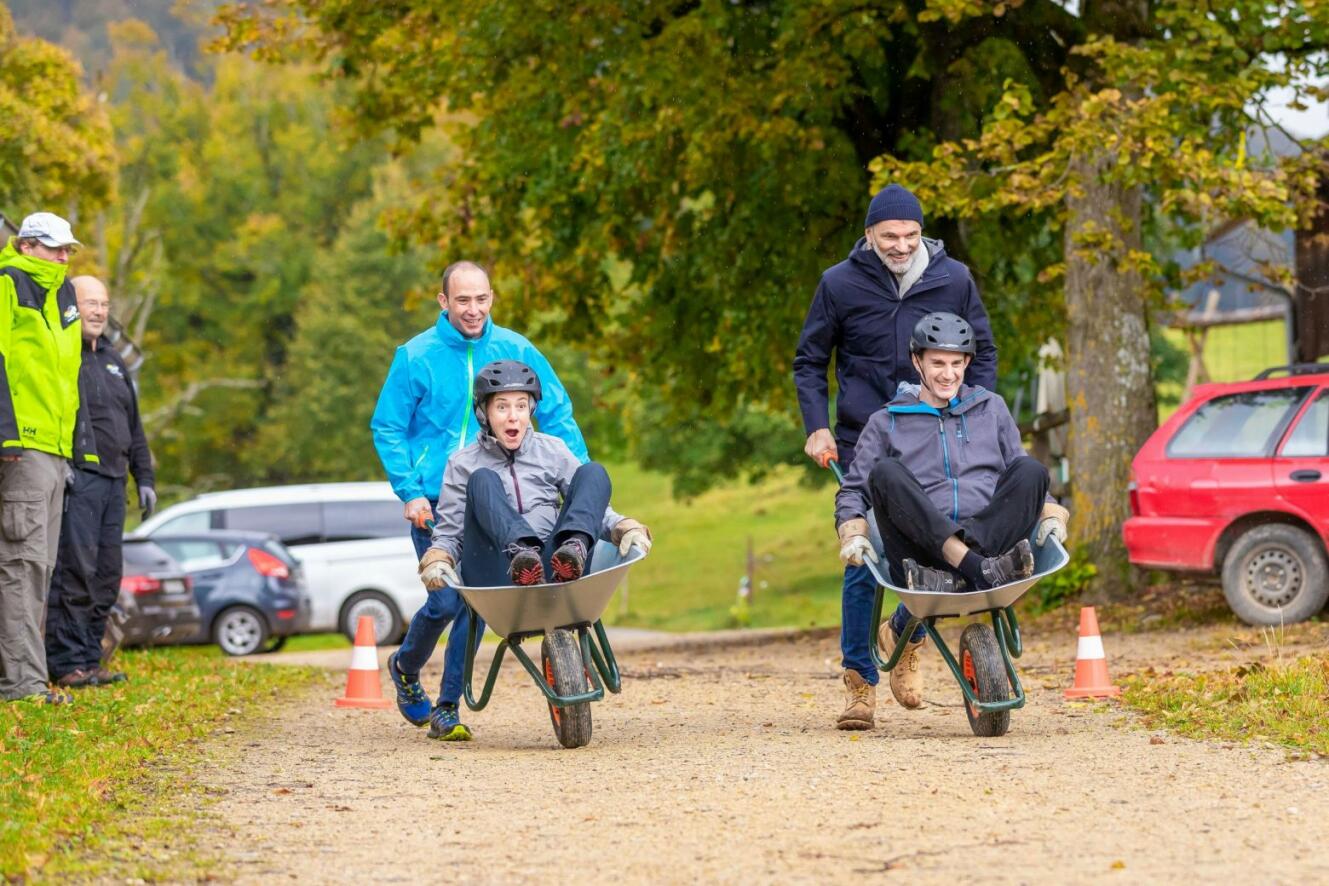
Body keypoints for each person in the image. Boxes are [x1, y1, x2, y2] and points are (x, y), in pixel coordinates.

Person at [792, 184, 1001, 730]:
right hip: (866, 434)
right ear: (869, 236)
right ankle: (860, 681)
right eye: (889, 236)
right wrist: (817, 426)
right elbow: (810, 360)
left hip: (935, 434)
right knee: (867, 556)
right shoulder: (838, 284)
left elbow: (983, 349)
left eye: (910, 235)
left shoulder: (951, 278)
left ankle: (906, 632)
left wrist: (974, 412)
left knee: (941, 544)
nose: (901, 245)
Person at [371, 262, 588, 731]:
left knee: (477, 602)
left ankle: (448, 707)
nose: (474, 310)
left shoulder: (515, 348)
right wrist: (409, 491)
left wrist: (578, 481)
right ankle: (406, 668)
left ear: (492, 298)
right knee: (447, 602)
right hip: (436, 498)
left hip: (499, 496)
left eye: (482, 299)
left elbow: (558, 411)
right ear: (443, 301)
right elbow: (388, 427)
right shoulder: (415, 356)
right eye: (463, 300)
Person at [833, 313, 1069, 728]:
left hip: (989, 544)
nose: (948, 373)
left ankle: (969, 568)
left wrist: (1048, 511)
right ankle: (974, 569)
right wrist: (852, 529)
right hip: (920, 555)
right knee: (885, 475)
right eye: (938, 363)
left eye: (957, 363)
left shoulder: (990, 408)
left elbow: (1019, 473)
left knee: (1032, 469)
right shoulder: (887, 421)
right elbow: (853, 489)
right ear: (917, 362)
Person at [414, 360, 652, 740]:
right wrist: (439, 558)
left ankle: (573, 548)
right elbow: (450, 532)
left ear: (531, 410)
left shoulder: (551, 450)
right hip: (499, 572)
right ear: (484, 412)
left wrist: (622, 526)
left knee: (594, 473)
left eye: (521, 405)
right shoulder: (463, 464)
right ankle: (521, 553)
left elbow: (593, 503)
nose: (513, 416)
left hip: (556, 566)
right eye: (502, 406)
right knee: (483, 480)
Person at [45, 276, 155, 688]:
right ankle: (66, 663)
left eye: (104, 304)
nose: (98, 311)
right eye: (90, 303)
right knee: (75, 573)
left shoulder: (113, 359)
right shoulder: (62, 354)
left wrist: (144, 477)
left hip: (114, 485)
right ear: (72, 306)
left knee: (107, 576)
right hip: (81, 480)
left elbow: (134, 425)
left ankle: (91, 659)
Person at [0, 213, 87, 706]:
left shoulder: (64, 295)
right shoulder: (8, 284)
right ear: (27, 244)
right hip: (23, 448)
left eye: (68, 249)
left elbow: (68, 381)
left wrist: (73, 447)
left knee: (42, 567)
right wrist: (8, 439)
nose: (63, 256)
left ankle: (26, 678)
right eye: (55, 248)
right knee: (22, 564)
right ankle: (23, 686)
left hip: (54, 450)